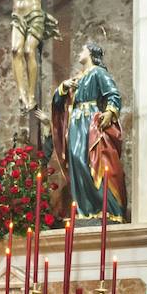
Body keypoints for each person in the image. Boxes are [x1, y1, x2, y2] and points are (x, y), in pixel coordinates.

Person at [52, 41, 127, 221]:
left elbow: (113, 94)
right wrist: (63, 87)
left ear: (91, 54)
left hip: (90, 121)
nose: (79, 52)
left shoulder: (98, 73)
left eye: (82, 49)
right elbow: (57, 102)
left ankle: (104, 208)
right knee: (76, 162)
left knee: (90, 161)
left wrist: (110, 112)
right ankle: (85, 209)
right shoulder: (76, 78)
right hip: (75, 123)